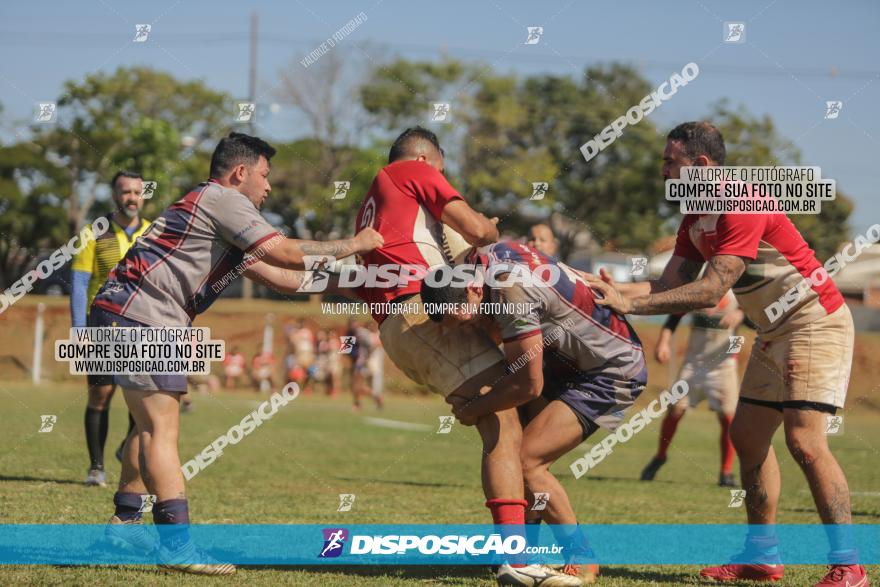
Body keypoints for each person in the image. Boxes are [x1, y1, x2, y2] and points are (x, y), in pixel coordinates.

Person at [585, 121, 867, 587]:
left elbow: (711, 289)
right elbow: (669, 284)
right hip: (776, 329)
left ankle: (849, 566)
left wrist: (631, 305)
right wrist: (608, 290)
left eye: (669, 162)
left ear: (700, 166)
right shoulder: (694, 217)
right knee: (749, 437)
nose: (663, 172)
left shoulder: (742, 200)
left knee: (805, 441)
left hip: (816, 321)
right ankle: (763, 556)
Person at [91, 131, 383, 575]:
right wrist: (353, 245)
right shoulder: (222, 199)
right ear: (240, 173)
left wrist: (360, 284)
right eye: (264, 176)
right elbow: (285, 253)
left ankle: (127, 519)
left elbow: (286, 279)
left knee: (144, 426)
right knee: (158, 431)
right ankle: (175, 545)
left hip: (122, 312)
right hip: (142, 316)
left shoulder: (219, 217)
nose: (268, 187)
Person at [347, 126, 577, 585]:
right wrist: (488, 229)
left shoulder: (375, 205)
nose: (445, 180)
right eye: (443, 171)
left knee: (506, 420)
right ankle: (515, 557)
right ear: (428, 161)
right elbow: (477, 229)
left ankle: (514, 550)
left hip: (402, 322)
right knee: (504, 423)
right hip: (419, 313)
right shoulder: (413, 171)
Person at [421, 241, 647, 582]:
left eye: (463, 317)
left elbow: (529, 385)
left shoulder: (511, 292)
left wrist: (473, 408)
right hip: (570, 359)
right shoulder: (480, 261)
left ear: (472, 287)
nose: (468, 327)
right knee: (516, 452)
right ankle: (520, 553)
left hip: (611, 371)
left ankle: (581, 558)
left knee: (527, 462)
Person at [70, 170, 151, 487]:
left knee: (142, 402)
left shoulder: (153, 233)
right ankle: (96, 468)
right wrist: (80, 330)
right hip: (102, 326)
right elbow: (79, 285)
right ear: (114, 195)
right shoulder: (94, 232)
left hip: (141, 329)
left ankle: (126, 454)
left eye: (136, 192)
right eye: (124, 192)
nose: (131, 197)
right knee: (100, 396)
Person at [640, 291, 744, 487]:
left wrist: (742, 314)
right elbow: (674, 316)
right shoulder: (700, 287)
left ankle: (726, 472)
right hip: (693, 364)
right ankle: (660, 456)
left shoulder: (737, 290)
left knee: (729, 418)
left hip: (724, 365)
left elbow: (758, 314)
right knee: (675, 410)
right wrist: (663, 342)